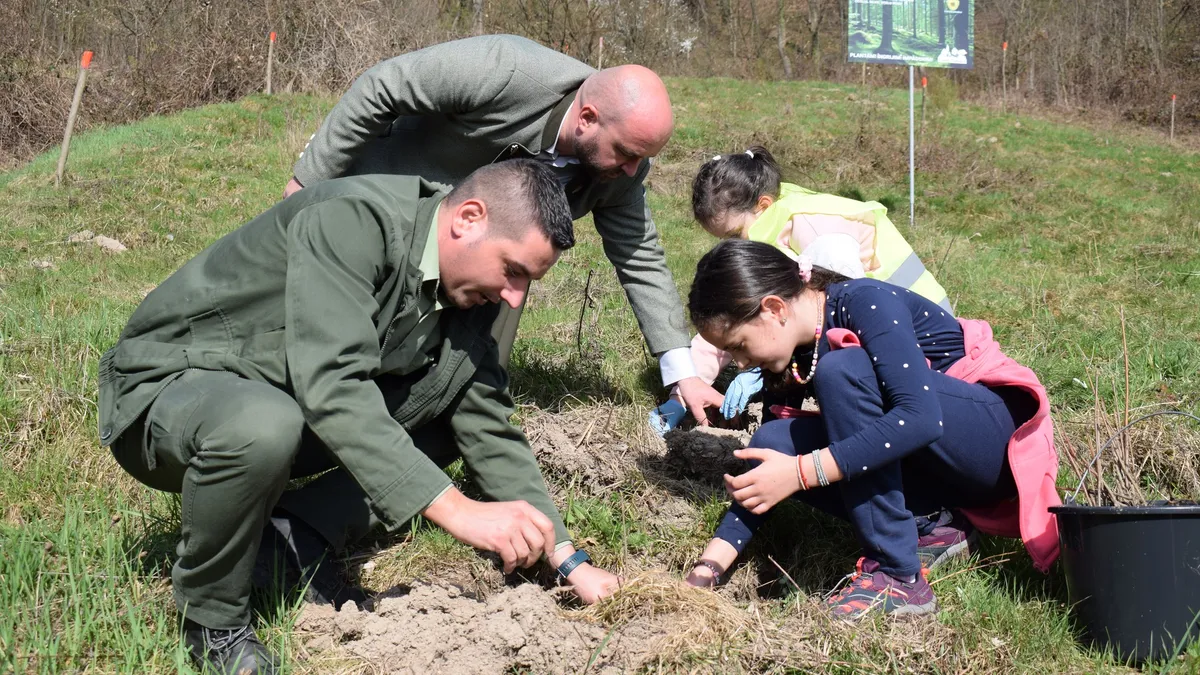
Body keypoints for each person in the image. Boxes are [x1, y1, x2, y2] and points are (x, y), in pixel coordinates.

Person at [97, 161, 620, 674]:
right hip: (170, 391)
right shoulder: (353, 220)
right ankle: (211, 618)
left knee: (439, 414)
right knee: (263, 426)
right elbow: (334, 384)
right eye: (512, 271)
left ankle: (289, 535)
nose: (515, 296)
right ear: (468, 218)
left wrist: (568, 559)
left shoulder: (471, 293)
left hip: (276, 397)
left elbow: (486, 420)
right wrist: (459, 510)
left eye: (527, 281)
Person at [285, 34, 723, 425]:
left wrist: (681, 369)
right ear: (586, 118)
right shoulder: (505, 70)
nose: (632, 170)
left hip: (488, 254)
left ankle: (450, 412)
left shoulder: (624, 167)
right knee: (337, 326)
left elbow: (639, 255)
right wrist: (306, 183)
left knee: (509, 283)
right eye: (626, 154)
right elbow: (385, 85)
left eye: (640, 160)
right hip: (394, 197)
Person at [678, 240, 1060, 619]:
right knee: (772, 441)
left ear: (774, 308)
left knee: (843, 370)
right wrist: (709, 568)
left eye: (740, 345)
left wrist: (801, 473)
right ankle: (932, 524)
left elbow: (921, 418)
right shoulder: (797, 354)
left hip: (990, 448)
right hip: (935, 465)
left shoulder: (865, 300)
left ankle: (897, 574)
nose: (742, 364)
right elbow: (768, 469)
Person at [650, 145, 953, 433]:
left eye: (733, 234)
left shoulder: (814, 229)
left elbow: (846, 310)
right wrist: (683, 389)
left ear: (763, 205)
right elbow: (730, 323)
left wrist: (763, 367)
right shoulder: (768, 227)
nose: (734, 247)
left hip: (923, 341)